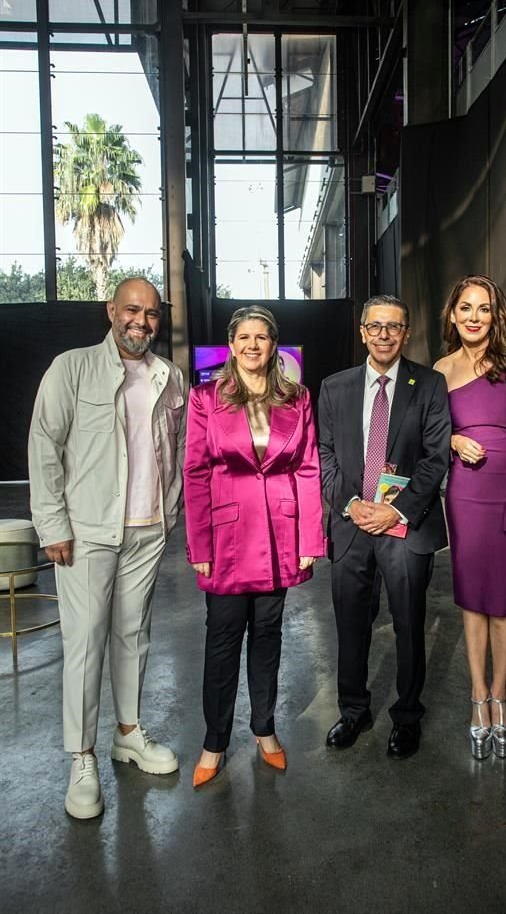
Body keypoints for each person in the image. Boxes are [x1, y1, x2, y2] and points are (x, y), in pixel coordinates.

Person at [28, 277, 186, 819]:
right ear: (111, 311)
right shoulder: (71, 368)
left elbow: (176, 450)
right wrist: (52, 525)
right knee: (85, 643)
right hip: (87, 533)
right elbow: (45, 445)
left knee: (133, 637)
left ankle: (128, 734)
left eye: (151, 314)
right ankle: (82, 756)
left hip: (147, 531)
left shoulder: (171, 378)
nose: (141, 321)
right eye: (132, 310)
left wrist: (171, 514)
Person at [184, 305, 326, 787]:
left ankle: (265, 730)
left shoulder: (297, 397)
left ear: (273, 344)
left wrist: (310, 536)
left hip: (279, 536)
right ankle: (215, 741)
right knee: (222, 641)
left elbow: (308, 468)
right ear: (231, 343)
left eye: (261, 337)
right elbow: (196, 472)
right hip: (225, 538)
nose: (252, 345)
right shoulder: (206, 398)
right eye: (243, 336)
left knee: (268, 636)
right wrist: (198, 542)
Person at [318, 295, 451, 760]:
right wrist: (352, 504)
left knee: (410, 625)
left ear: (407, 332)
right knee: (351, 624)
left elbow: (436, 458)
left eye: (394, 327)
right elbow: (326, 455)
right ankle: (353, 710)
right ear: (362, 331)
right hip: (352, 525)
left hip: (404, 527)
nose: (384, 334)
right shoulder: (335, 387)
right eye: (375, 326)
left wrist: (395, 511)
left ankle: (407, 715)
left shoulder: (430, 385)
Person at [434, 274, 506, 759]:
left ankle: (501, 697)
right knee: (471, 600)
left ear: (495, 314)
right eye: (465, 308)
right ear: (452, 314)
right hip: (465, 493)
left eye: (483, 308)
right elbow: (428, 433)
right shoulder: (440, 369)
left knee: (504, 602)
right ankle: (476, 697)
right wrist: (450, 440)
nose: (474, 317)